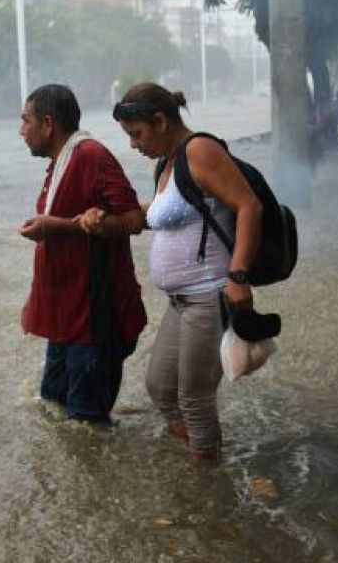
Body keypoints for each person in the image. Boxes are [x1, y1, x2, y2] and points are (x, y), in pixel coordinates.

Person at [101, 82, 262, 463]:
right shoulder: (167, 163)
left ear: (160, 121)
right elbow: (158, 215)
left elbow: (249, 207)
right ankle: (205, 458)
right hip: (180, 303)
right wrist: (105, 220)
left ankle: (208, 488)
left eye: (137, 134)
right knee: (160, 388)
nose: (133, 145)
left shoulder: (200, 151)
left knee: (194, 396)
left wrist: (238, 276)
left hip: (209, 296)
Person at [17, 84, 147, 426]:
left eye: (25, 121)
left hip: (95, 319)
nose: (21, 131)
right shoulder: (60, 163)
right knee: (52, 408)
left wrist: (59, 226)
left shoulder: (91, 155)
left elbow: (133, 219)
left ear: (48, 123)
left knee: (88, 426)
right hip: (66, 318)